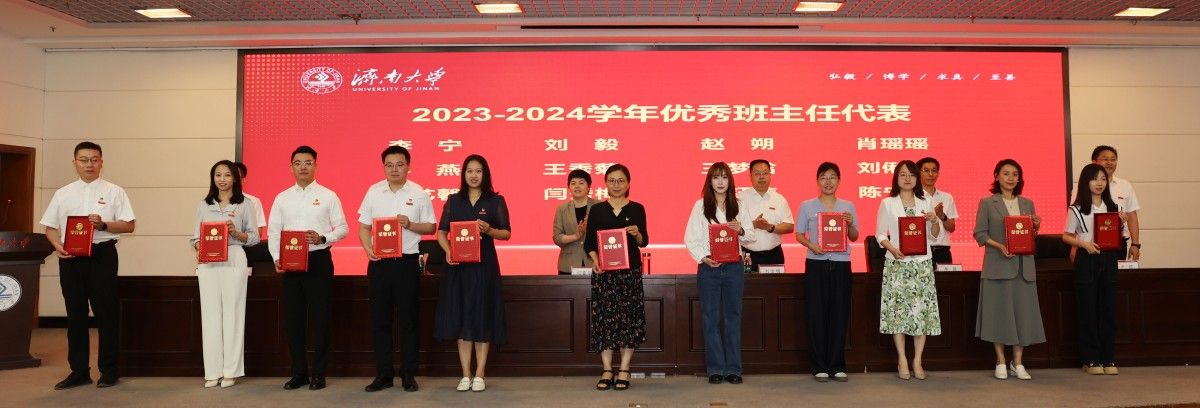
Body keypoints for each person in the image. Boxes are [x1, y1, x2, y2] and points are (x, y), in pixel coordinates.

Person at [42, 141, 136, 390]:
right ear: (74, 163)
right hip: (71, 258)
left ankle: (109, 371)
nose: (89, 164)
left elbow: (129, 225)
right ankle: (79, 371)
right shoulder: (63, 193)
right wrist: (57, 246)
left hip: (102, 256)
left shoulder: (115, 191)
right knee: (75, 315)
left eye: (94, 159)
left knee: (106, 314)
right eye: (83, 160)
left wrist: (104, 224)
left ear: (102, 162)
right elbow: (50, 228)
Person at [267, 145, 349, 391]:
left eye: (308, 162)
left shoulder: (328, 196)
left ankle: (319, 374)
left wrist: (323, 237)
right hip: (290, 264)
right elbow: (274, 231)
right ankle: (299, 373)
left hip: (318, 261)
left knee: (321, 319)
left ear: (316, 165)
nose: (303, 167)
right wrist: (276, 257)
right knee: (294, 320)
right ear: (291, 167)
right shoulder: (282, 197)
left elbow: (343, 228)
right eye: (298, 163)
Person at [359, 146, 437, 392]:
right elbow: (364, 227)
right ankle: (383, 375)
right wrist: (368, 248)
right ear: (384, 167)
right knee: (380, 321)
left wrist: (410, 224)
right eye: (389, 165)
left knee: (408, 321)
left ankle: (408, 375)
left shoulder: (419, 193)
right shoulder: (373, 192)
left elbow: (431, 227)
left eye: (399, 164)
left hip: (406, 263)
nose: (394, 169)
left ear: (408, 166)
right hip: (379, 264)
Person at [435, 154, 510, 393]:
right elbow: (441, 232)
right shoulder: (453, 201)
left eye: (478, 171)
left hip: (484, 267)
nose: (474, 175)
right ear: (463, 174)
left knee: (482, 315)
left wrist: (490, 230)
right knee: (462, 316)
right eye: (469, 171)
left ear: (485, 174)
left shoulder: (495, 201)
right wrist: (448, 251)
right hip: (458, 268)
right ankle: (465, 373)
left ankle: (480, 373)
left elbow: (506, 233)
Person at [684, 162, 756, 385]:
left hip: (734, 267)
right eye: (716, 177)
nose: (721, 182)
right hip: (709, 268)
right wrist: (703, 257)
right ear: (710, 181)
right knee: (711, 318)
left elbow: (751, 236)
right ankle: (715, 368)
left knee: (733, 317)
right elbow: (690, 238)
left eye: (724, 177)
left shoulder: (739, 204)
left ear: (730, 180)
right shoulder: (700, 206)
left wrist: (740, 230)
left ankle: (733, 368)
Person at [973, 159, 1044, 381]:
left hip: (1023, 268)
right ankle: (1001, 360)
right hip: (998, 266)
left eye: (1015, 174)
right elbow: (980, 234)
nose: (1011, 178)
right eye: (1006, 173)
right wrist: (1000, 246)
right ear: (996, 176)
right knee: (999, 315)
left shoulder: (1027, 203)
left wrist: (1036, 227)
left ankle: (1018, 362)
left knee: (1023, 316)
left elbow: (1029, 237)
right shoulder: (987, 203)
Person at [190, 160, 259, 388]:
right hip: (208, 263)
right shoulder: (204, 204)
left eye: (227, 175)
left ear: (235, 178)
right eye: (217, 175)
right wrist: (200, 247)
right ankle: (212, 371)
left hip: (234, 257)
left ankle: (231, 371)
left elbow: (254, 237)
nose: (222, 179)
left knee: (233, 314)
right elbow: (195, 237)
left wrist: (236, 233)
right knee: (210, 315)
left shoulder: (245, 204)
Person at [874, 160, 941, 381]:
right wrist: (892, 248)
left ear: (916, 178)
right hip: (897, 264)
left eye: (911, 174)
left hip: (922, 265)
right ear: (896, 178)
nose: (907, 178)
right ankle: (902, 359)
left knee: (921, 313)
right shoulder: (887, 203)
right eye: (903, 174)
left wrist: (934, 220)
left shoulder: (926, 200)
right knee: (898, 313)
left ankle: (918, 360)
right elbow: (880, 234)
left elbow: (934, 236)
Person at [583, 164, 648, 391]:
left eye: (621, 180)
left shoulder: (637, 208)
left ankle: (625, 368)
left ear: (628, 183)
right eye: (612, 180)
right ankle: (607, 369)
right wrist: (595, 260)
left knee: (629, 319)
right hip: (605, 275)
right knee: (604, 320)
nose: (616, 185)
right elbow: (589, 242)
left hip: (629, 273)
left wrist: (637, 234)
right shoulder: (597, 210)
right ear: (606, 183)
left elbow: (644, 241)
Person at [794, 162, 859, 382]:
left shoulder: (848, 206)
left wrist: (850, 224)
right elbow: (799, 234)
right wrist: (812, 246)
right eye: (823, 177)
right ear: (817, 181)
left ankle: (837, 365)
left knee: (840, 313)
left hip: (841, 264)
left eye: (832, 177)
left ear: (839, 181)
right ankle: (819, 366)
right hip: (816, 264)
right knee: (816, 313)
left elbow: (854, 236)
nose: (828, 182)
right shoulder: (807, 206)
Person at [1062, 163, 1125, 376]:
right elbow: (1066, 236)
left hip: (1109, 260)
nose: (1099, 183)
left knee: (1108, 309)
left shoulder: (1113, 207)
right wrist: (1084, 244)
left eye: (1103, 179)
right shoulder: (1077, 209)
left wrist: (1121, 223)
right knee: (1088, 310)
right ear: (1085, 182)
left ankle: (1108, 358)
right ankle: (1090, 359)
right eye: (1094, 179)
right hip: (1087, 260)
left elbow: (1116, 237)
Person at [737, 159, 794, 272]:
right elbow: (733, 227)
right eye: (757, 174)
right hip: (748, 255)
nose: (761, 177)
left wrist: (770, 227)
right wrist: (754, 225)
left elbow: (789, 226)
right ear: (750, 176)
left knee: (775, 284)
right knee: (748, 284)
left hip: (774, 255)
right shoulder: (740, 198)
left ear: (770, 175)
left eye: (765, 173)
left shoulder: (779, 199)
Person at [1090, 146, 1141, 261]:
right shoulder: (1083, 186)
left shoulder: (1125, 185)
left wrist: (1135, 244)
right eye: (1105, 159)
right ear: (1094, 162)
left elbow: (1132, 215)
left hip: (1118, 245)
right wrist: (1075, 247)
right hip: (1091, 244)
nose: (1109, 163)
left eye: (1113, 159)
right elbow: (1077, 217)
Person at [553, 169, 599, 275]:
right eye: (573, 183)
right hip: (568, 264)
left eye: (581, 183)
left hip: (594, 263)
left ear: (589, 187)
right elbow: (557, 238)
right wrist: (575, 236)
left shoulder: (598, 206)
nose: (577, 186)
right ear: (569, 187)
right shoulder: (562, 209)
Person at [916, 157, 958, 264]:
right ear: (918, 173)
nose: (931, 174)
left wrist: (942, 216)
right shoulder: (912, 197)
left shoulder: (947, 197)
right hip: (920, 252)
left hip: (942, 252)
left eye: (934, 170)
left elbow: (951, 228)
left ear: (938, 173)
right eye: (926, 170)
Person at [234, 162, 268, 239]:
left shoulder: (253, 201)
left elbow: (257, 234)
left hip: (245, 245)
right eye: (229, 176)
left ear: (243, 180)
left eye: (236, 177)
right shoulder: (214, 202)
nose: (232, 180)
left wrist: (237, 235)